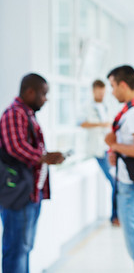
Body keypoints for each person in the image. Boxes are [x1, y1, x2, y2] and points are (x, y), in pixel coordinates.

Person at [0, 73, 65, 273]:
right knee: (16, 250)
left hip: (29, 194)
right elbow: (16, 147)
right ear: (30, 92)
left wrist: (46, 156)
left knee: (23, 248)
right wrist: (45, 157)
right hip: (18, 195)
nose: (45, 99)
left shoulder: (26, 114)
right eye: (43, 94)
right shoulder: (14, 113)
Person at [104, 65, 134, 273]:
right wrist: (119, 151)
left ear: (123, 85)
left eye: (113, 86)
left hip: (131, 188)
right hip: (131, 185)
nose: (112, 91)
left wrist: (113, 145)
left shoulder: (133, 113)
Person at [80, 79, 118, 226]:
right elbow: (81, 123)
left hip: (108, 149)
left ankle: (116, 216)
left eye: (103, 92)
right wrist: (101, 124)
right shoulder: (87, 107)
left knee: (117, 182)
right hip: (98, 150)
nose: (101, 94)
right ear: (93, 91)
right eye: (99, 92)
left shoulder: (107, 106)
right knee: (115, 182)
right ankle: (115, 217)